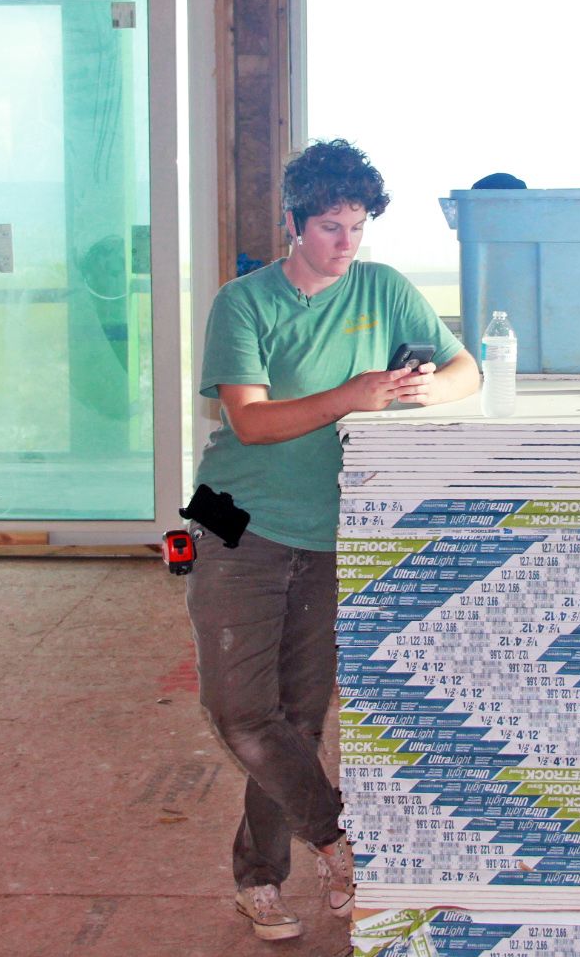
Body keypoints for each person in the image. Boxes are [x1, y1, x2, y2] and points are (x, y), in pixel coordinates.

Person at [185, 139, 479, 941]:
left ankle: (260, 878)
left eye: (356, 226)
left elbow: (467, 371)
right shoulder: (243, 302)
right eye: (328, 227)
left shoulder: (382, 290)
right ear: (291, 222)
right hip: (232, 516)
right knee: (239, 708)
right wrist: (350, 394)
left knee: (294, 720)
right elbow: (248, 417)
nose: (346, 244)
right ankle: (339, 837)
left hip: (328, 530)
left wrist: (423, 389)